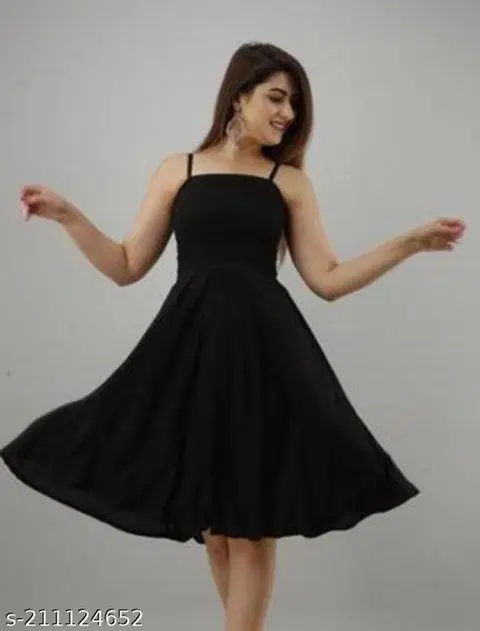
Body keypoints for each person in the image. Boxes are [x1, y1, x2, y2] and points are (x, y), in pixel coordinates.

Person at [1, 41, 466, 631]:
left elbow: (327, 279)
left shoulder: (288, 182)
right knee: (218, 529)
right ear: (239, 96)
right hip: (191, 356)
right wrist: (66, 214)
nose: (288, 113)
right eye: (276, 97)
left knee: (249, 526)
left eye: (294, 104)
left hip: (265, 357)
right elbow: (125, 264)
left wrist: (409, 244)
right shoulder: (178, 169)